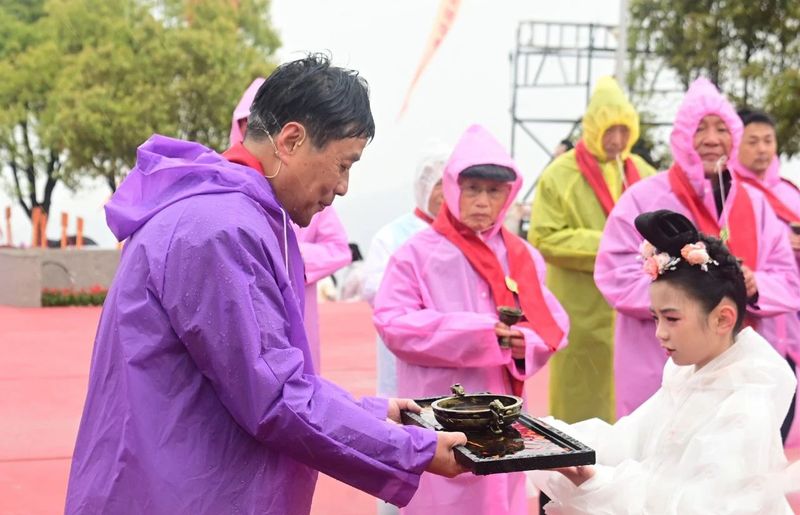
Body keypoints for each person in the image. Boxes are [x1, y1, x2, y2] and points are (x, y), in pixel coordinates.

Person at [65, 55, 467, 515]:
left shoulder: (222, 210)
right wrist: (414, 450)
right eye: (343, 164)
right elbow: (275, 396)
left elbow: (263, 373)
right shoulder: (222, 228)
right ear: (291, 140)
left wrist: (373, 414)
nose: (343, 186)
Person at [535, 210, 799, 514]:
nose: (660, 333)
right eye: (656, 318)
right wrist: (547, 436)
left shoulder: (746, 402)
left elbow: (699, 507)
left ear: (722, 319)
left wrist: (596, 480)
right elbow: (628, 441)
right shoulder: (689, 376)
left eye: (672, 319)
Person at [373, 124, 570, 515]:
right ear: (452, 188)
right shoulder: (416, 253)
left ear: (508, 195)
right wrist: (480, 334)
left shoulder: (521, 256)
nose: (482, 201)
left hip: (500, 411)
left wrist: (524, 344)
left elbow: (550, 324)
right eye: (472, 189)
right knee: (440, 499)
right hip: (436, 406)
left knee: (498, 495)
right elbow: (393, 323)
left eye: (493, 191)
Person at [595, 77, 800, 418]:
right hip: (659, 368)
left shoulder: (756, 203)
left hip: (739, 373)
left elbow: (788, 279)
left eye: (721, 128)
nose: (711, 139)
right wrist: (687, 291)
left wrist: (755, 284)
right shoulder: (643, 198)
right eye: (699, 128)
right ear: (681, 137)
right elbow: (615, 275)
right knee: (659, 448)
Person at [528, 76, 656, 425]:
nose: (617, 140)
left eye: (623, 131)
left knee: (638, 406)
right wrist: (612, 245)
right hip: (580, 310)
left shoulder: (644, 173)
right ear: (593, 128)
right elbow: (544, 237)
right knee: (579, 402)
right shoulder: (560, 174)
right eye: (609, 130)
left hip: (636, 311)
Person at [230, 77, 352, 373]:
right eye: (245, 126)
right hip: (249, 331)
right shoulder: (227, 197)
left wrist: (289, 257)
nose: (342, 187)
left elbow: (339, 249)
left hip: (300, 304)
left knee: (297, 373)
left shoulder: (313, 196)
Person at [732, 108, 800, 444]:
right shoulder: (728, 193)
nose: (762, 149)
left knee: (783, 405)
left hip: (788, 315)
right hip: (749, 318)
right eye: (753, 141)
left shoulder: (790, 192)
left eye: (768, 141)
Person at [362, 148, 447, 399]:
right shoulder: (392, 235)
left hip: (451, 347)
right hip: (406, 345)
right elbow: (375, 290)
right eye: (439, 184)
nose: (447, 193)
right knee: (407, 408)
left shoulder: (467, 238)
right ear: (424, 188)